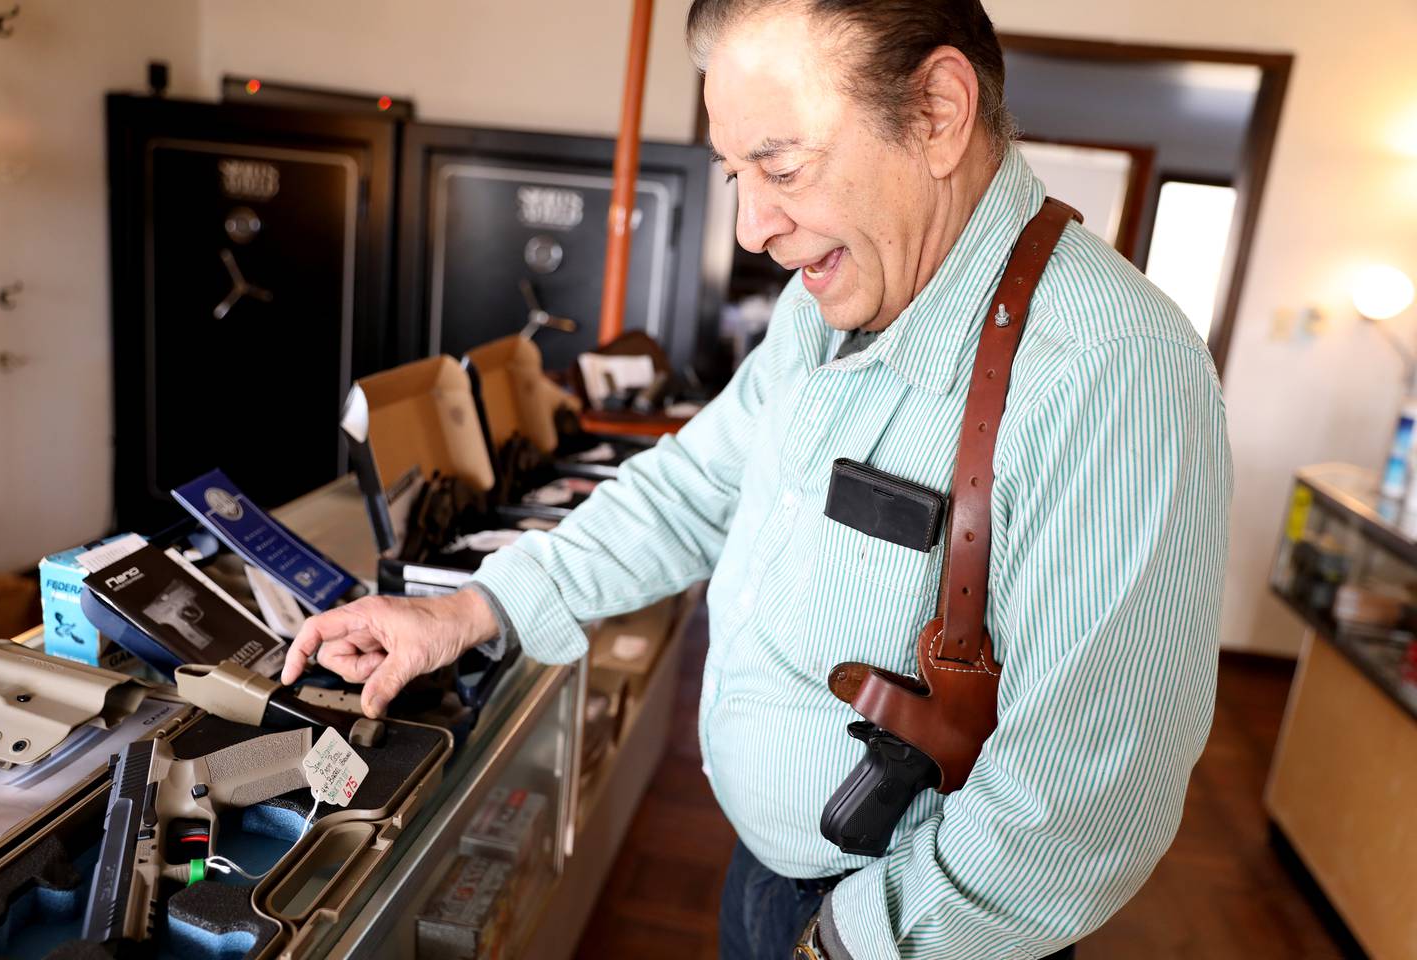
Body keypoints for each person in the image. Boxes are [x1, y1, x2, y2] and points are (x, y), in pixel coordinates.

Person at [282, 1, 1232, 957]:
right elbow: (696, 487)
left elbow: (1084, 794)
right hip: (768, 881)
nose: (750, 226)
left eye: (781, 166)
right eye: (734, 173)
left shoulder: (1115, 368)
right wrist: (468, 610)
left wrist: (848, 939)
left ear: (940, 113)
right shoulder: (830, 296)